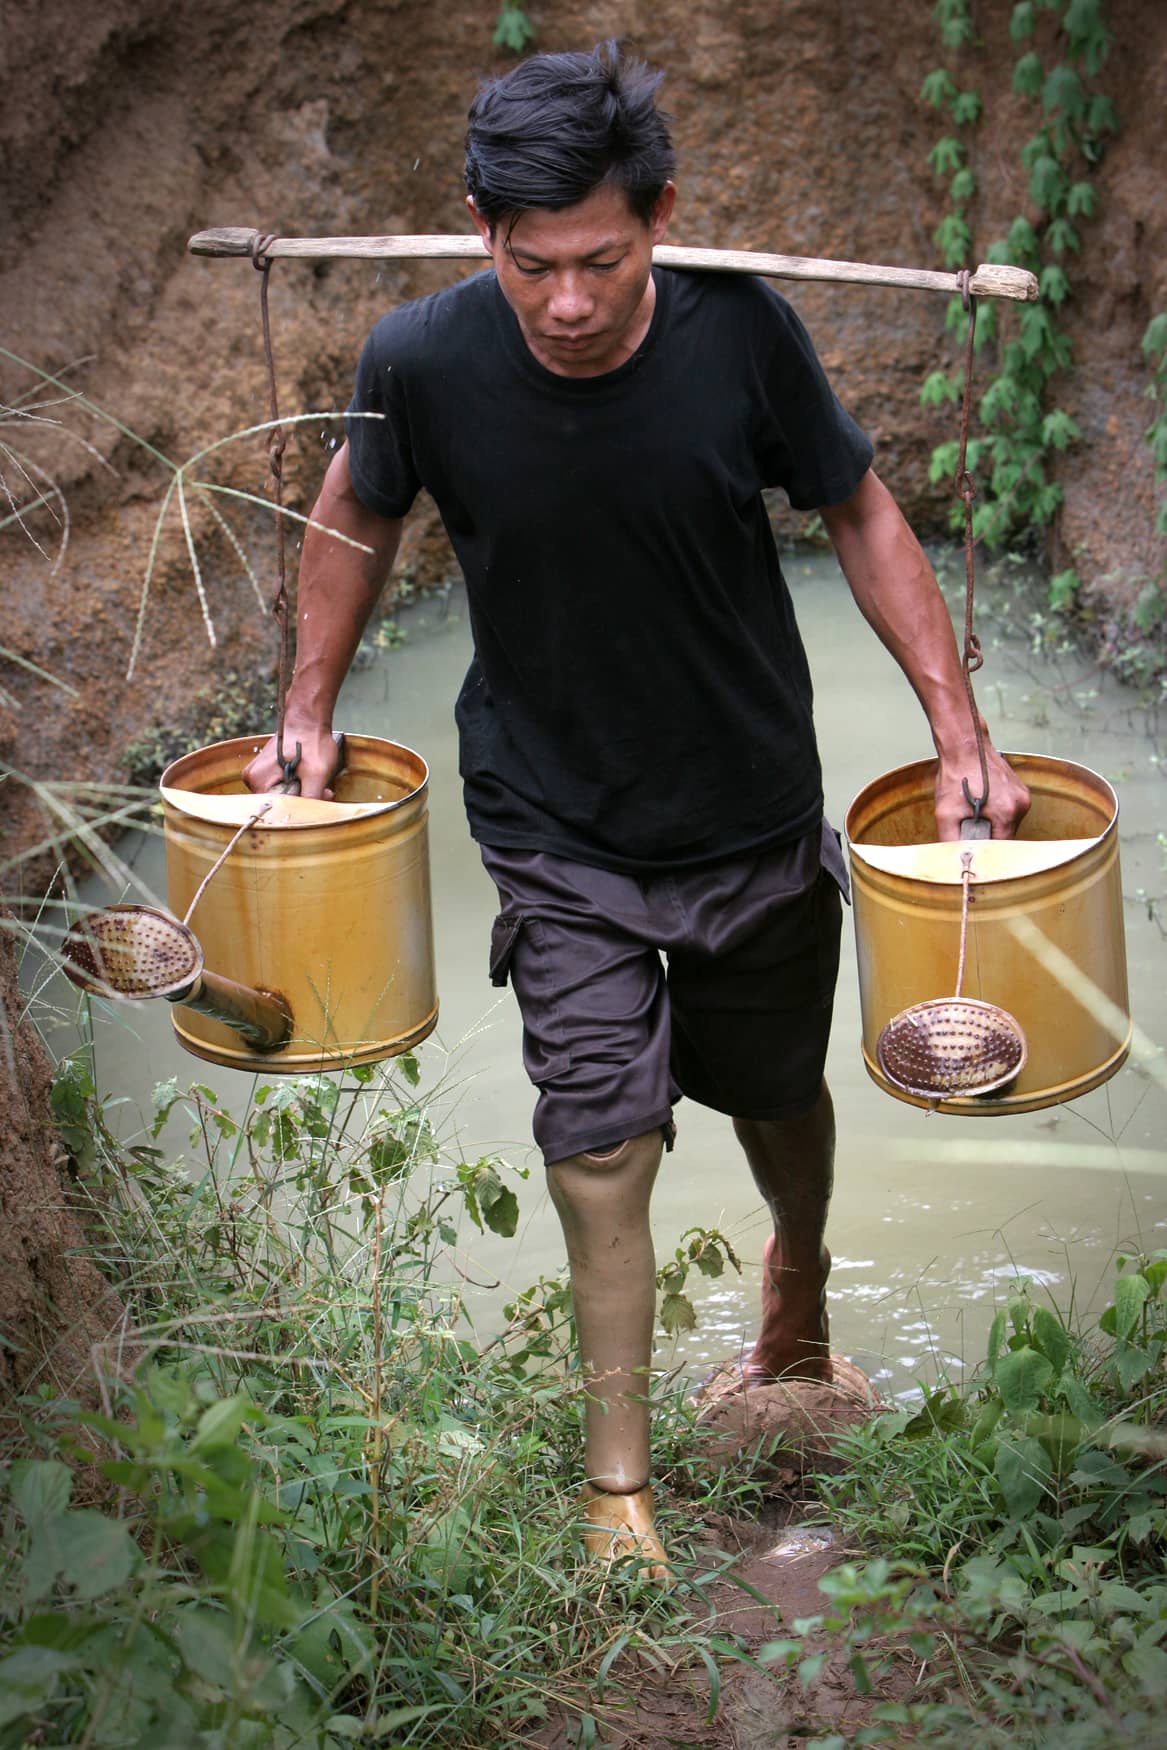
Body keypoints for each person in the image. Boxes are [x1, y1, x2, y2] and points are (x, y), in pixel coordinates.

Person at [245, 41, 1029, 1578]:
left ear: (660, 215)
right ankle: (621, 1494)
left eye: (602, 259)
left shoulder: (744, 336)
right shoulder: (418, 356)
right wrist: (307, 704)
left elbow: (860, 508)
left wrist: (956, 726)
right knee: (600, 1139)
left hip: (748, 805)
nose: (569, 302)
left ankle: (795, 1271)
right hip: (556, 827)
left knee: (775, 1092)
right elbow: (355, 508)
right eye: (533, 264)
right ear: (481, 229)